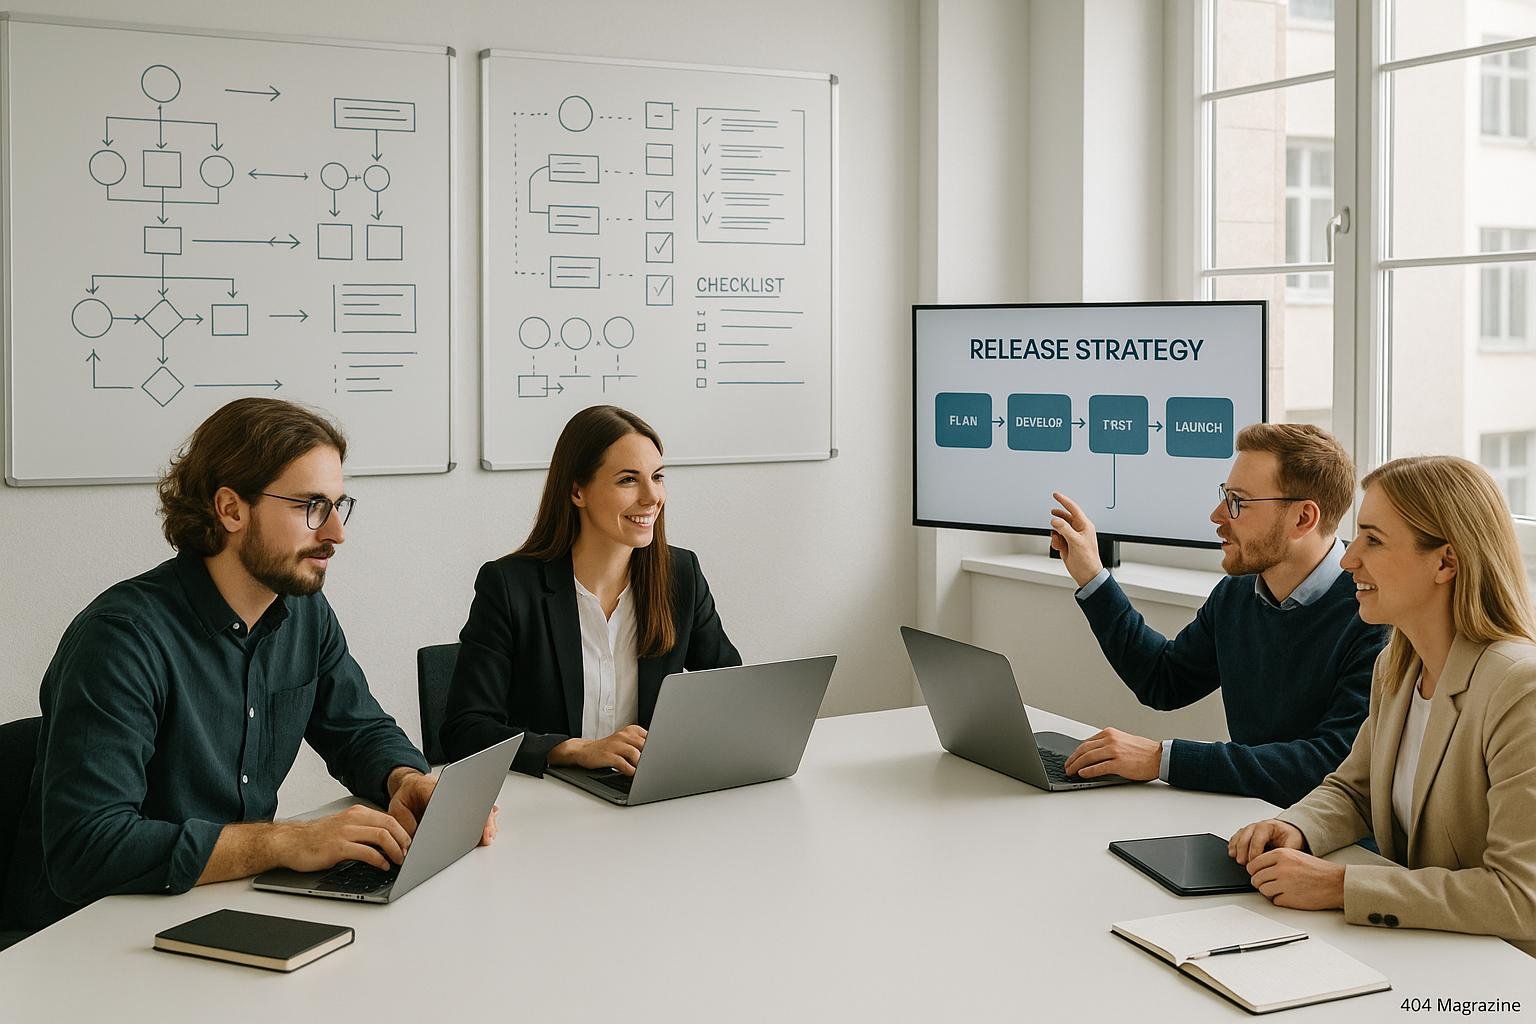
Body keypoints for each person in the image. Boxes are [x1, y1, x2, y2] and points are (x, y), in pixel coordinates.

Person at [0, 398, 493, 935]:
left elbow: (358, 730)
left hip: (223, 909)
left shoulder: (304, 610)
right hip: (92, 934)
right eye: (310, 507)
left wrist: (405, 778)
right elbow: (87, 849)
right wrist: (285, 841)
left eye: (338, 505)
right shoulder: (121, 640)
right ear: (231, 510)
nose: (336, 533)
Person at [1230, 456, 1536, 955]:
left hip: (1504, 975)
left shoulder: (1521, 688)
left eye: (1372, 540)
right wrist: (1294, 827)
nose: (1348, 560)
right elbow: (1355, 791)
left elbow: (1522, 897)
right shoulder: (1399, 665)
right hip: (1422, 949)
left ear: (1445, 562)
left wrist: (1340, 886)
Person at [1049, 423, 1387, 806]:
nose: (1217, 515)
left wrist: (1162, 759)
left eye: (1238, 502)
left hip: (1332, 844)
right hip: (1251, 820)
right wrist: (1092, 576)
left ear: (1303, 519)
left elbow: (1329, 764)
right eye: (1225, 496)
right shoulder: (1238, 594)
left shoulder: (1373, 616)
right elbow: (1164, 680)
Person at [441, 405, 740, 777]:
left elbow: (732, 695)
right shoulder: (509, 586)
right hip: (551, 804)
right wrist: (573, 750)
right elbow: (465, 732)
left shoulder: (681, 575)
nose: (652, 497)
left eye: (658, 477)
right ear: (577, 491)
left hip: (649, 796)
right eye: (628, 480)